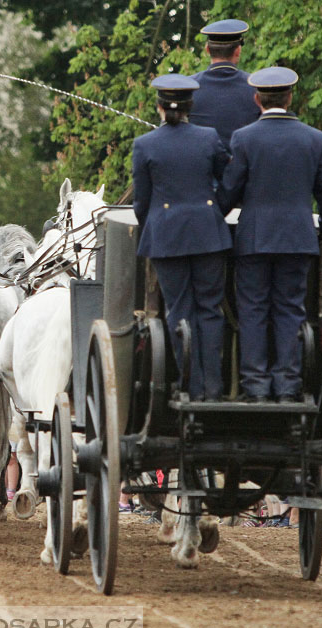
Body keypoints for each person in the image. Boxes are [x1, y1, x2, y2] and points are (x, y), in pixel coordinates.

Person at [219, 66, 322, 402]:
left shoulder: (244, 137)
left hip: (255, 238)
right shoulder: (313, 138)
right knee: (289, 310)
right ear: (290, 97)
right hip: (298, 238)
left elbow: (230, 191)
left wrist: (215, 214)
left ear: (257, 100)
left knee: (253, 311)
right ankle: (287, 386)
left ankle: (255, 386)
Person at [132, 74, 231, 401]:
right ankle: (213, 388)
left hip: (166, 237)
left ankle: (188, 384)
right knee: (210, 309)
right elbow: (227, 182)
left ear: (159, 107)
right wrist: (214, 212)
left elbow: (142, 203)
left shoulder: (145, 144)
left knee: (178, 310)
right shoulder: (208, 137)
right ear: (191, 106)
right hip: (208, 235)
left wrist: (156, 227)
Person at [188, 19, 259, 152]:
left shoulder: (187, 88)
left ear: (207, 49)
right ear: (238, 50)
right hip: (246, 170)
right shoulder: (256, 87)